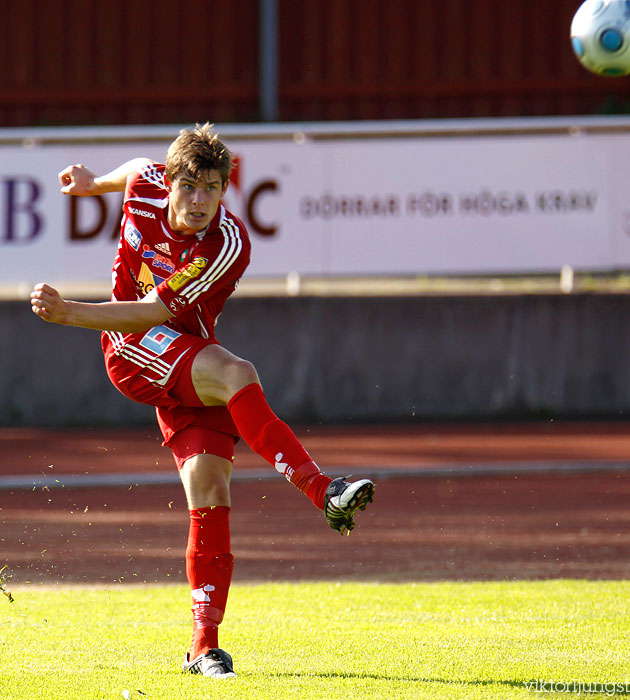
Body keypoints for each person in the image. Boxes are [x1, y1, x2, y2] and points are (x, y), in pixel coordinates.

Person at [30, 123, 375, 679]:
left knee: (210, 489)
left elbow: (155, 310)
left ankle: (202, 647)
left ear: (223, 192)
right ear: (170, 183)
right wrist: (96, 183)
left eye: (212, 188)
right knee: (237, 370)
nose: (199, 200)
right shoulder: (146, 182)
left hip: (170, 344)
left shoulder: (227, 244)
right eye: (188, 185)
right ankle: (324, 490)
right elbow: (134, 169)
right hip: (131, 347)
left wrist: (70, 310)